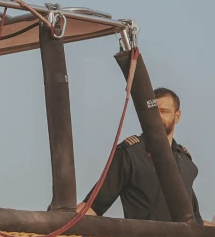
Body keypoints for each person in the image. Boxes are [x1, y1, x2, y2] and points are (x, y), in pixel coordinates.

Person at [79, 87, 203, 222]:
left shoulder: (185, 161)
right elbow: (92, 207)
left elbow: (196, 221)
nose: (158, 117)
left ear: (177, 116)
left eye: (164, 111)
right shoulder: (131, 154)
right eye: (153, 112)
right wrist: (57, 222)